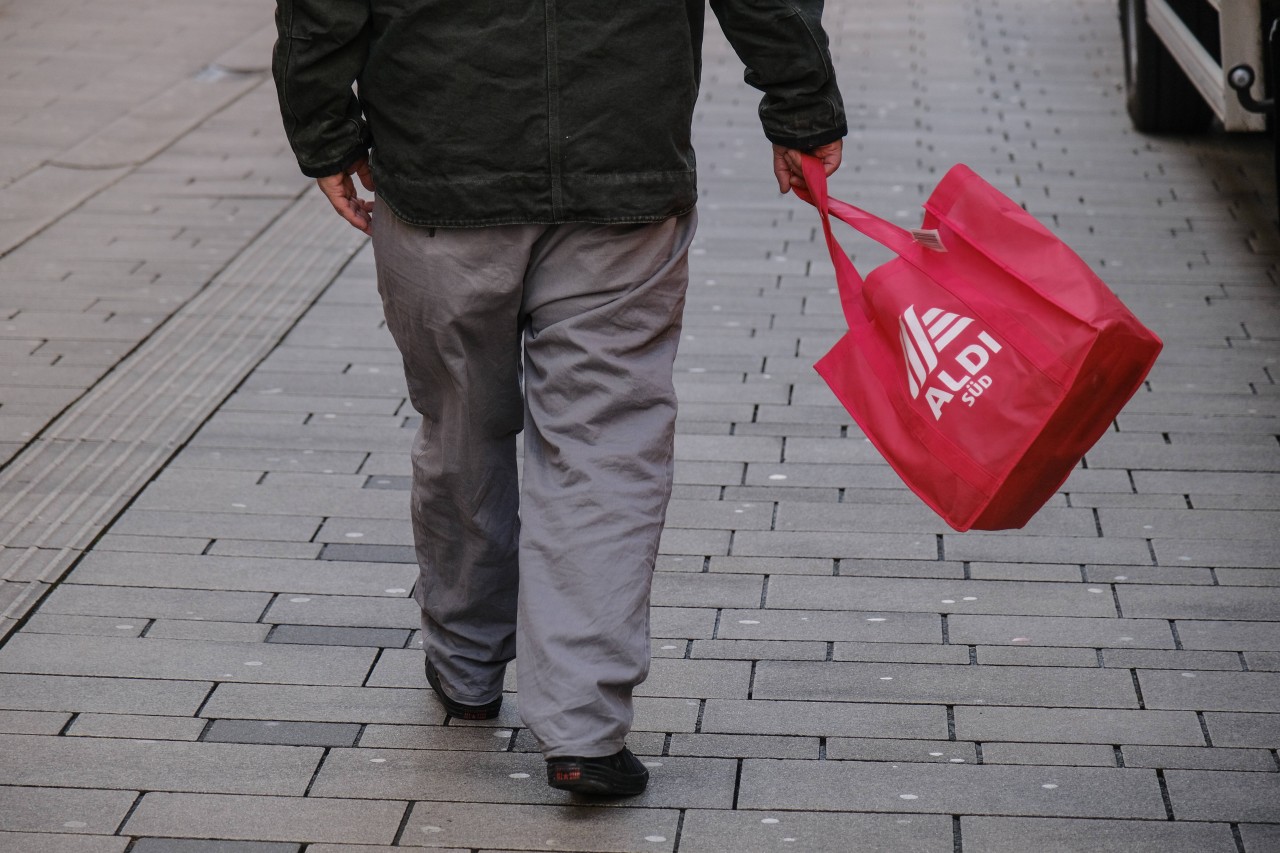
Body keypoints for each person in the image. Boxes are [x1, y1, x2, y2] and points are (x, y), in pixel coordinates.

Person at [271, 0, 845, 797]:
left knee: (461, 422)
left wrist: (324, 130)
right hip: (622, 158)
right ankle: (584, 727)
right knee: (606, 439)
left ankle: (468, 665)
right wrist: (801, 103)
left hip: (441, 160)